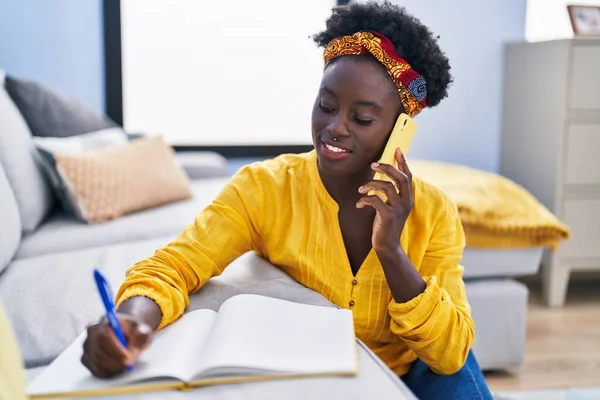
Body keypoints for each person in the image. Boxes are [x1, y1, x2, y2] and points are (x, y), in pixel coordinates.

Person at [81, 2, 493, 399]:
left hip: (415, 367)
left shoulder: (434, 211)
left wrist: (390, 251)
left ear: (399, 130)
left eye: (362, 118)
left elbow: (450, 353)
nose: (334, 128)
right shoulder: (264, 187)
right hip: (316, 369)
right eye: (325, 105)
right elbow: (176, 265)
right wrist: (129, 321)